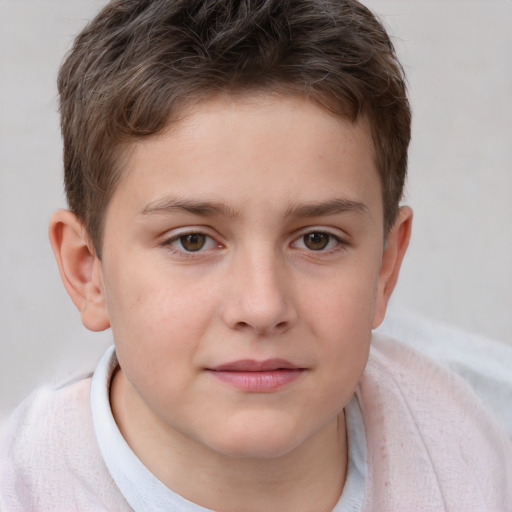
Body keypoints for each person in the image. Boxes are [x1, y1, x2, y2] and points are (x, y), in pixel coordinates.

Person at [1, 0, 511, 510]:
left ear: (384, 266)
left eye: (318, 239)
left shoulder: (480, 458)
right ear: (87, 271)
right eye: (192, 241)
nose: (262, 307)